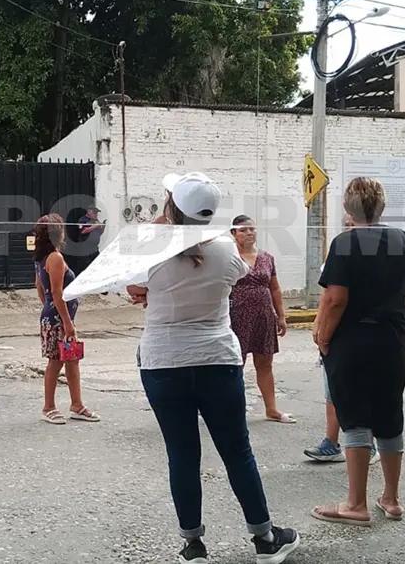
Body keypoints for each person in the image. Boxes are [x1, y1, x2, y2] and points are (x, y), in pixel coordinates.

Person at [129, 173, 301, 564]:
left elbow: (134, 289)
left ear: (171, 207)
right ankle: (264, 539)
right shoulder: (227, 248)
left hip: (163, 362)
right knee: (237, 451)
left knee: (182, 454)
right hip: (217, 359)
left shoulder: (150, 246)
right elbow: (232, 275)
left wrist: (161, 227)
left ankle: (193, 546)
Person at [311, 177, 405, 527]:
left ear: (347, 209)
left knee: (355, 417)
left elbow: (335, 299)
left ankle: (356, 504)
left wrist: (322, 335)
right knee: (389, 415)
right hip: (392, 339)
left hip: (353, 341)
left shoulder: (344, 243)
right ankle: (391, 498)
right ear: (382, 206)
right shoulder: (400, 240)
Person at [305, 212, 379, 465]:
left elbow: (337, 300)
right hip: (338, 335)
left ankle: (367, 444)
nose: (350, 227)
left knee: (360, 392)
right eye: (346, 224)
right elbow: (327, 298)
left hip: (354, 335)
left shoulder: (375, 255)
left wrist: (324, 336)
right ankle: (331, 441)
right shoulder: (338, 252)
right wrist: (319, 327)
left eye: (353, 223)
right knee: (333, 391)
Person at [34, 213, 99, 425]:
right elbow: (56, 292)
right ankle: (48, 407)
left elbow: (40, 289)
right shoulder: (55, 258)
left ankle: (76, 404)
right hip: (60, 319)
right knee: (56, 361)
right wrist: (66, 322)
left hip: (56, 316)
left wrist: (49, 307)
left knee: (71, 359)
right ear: (57, 233)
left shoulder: (42, 258)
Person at [228, 214, 294, 424]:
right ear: (233, 234)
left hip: (264, 315)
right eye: (243, 230)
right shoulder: (229, 257)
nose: (249, 233)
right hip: (236, 315)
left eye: (252, 229)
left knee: (265, 363)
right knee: (235, 363)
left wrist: (281, 316)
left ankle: (271, 409)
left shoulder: (267, 258)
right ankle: (229, 409)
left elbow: (274, 287)